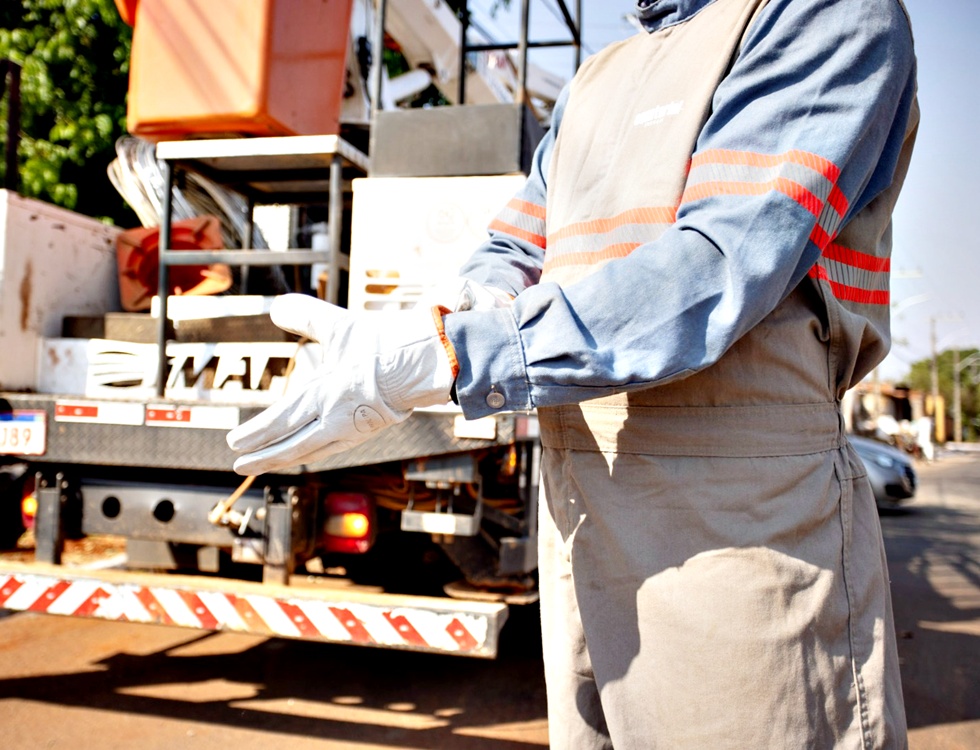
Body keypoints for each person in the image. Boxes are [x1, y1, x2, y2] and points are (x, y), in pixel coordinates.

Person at [227, 0, 919, 746]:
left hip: (737, 521)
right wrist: (470, 301)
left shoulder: (823, 15)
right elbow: (516, 239)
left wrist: (452, 356)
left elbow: (719, 265)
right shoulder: (597, 78)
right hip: (578, 505)